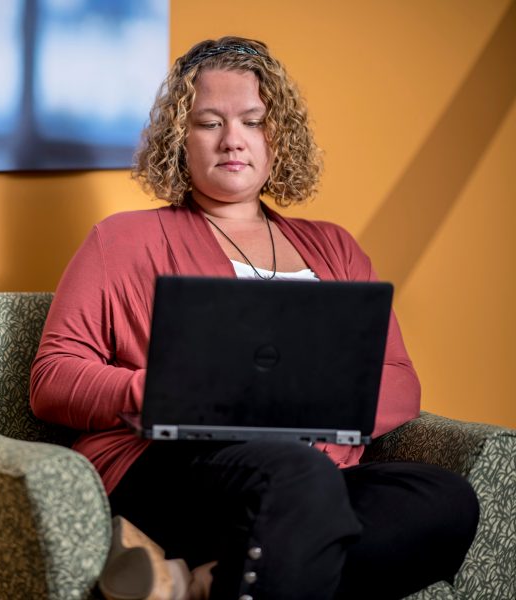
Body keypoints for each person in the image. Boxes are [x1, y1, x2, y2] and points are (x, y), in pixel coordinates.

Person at [30, 36, 479, 600]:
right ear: (179, 140)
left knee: (443, 498)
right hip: (170, 468)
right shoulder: (124, 240)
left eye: (253, 120)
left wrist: (316, 423)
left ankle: (197, 580)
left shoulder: (334, 248)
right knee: (297, 480)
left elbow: (398, 377)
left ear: (278, 136)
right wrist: (158, 390)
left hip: (310, 473)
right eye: (209, 122)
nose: (233, 140)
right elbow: (52, 377)